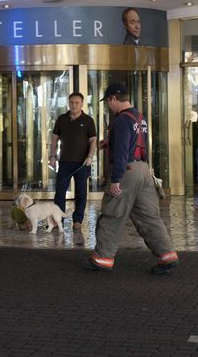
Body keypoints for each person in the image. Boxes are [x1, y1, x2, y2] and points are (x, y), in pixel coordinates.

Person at [87, 82, 178, 274]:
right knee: (149, 216)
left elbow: (121, 151)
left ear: (113, 99)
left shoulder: (121, 120)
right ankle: (167, 255)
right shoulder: (139, 117)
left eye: (108, 102)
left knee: (113, 213)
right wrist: (108, 142)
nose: (108, 106)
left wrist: (115, 179)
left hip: (127, 171)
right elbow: (134, 142)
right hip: (144, 171)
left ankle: (102, 258)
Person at [48, 92, 97, 230]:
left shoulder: (88, 120)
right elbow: (54, 139)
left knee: (81, 193)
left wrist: (90, 156)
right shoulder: (62, 119)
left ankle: (78, 220)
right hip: (64, 163)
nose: (74, 105)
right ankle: (59, 221)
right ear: (68, 103)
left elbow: (93, 140)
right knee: (60, 192)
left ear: (82, 104)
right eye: (71, 102)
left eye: (77, 103)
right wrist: (52, 156)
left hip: (82, 164)